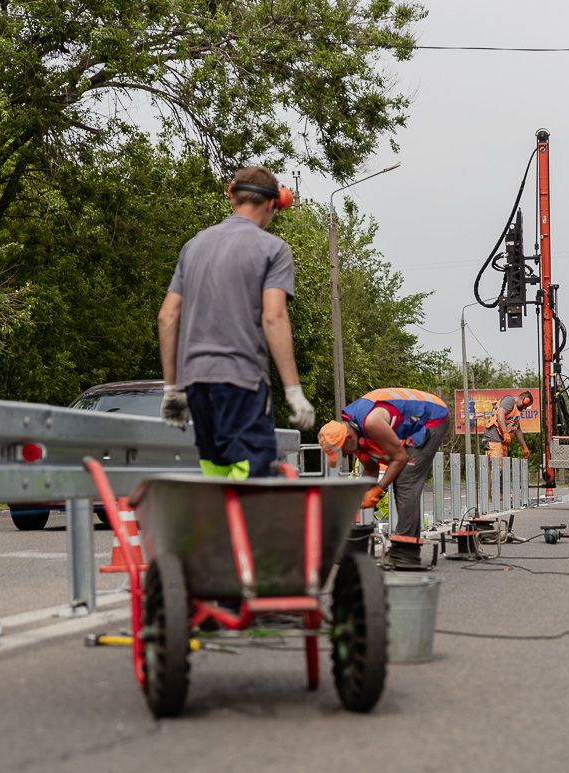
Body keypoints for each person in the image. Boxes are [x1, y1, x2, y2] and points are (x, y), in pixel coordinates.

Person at [157, 166, 315, 479]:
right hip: (241, 381)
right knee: (252, 479)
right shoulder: (273, 249)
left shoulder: (194, 246)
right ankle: (244, 528)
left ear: (233, 198)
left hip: (196, 384)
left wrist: (172, 389)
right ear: (272, 204)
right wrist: (293, 391)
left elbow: (167, 315)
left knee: (215, 472)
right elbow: (273, 316)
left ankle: (219, 529)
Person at [318, 389, 450, 568]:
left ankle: (406, 551)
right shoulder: (355, 433)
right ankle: (403, 547)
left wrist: (379, 489)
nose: (344, 456)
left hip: (432, 417)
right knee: (401, 477)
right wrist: (357, 500)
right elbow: (371, 470)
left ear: (348, 438)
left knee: (405, 480)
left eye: (342, 451)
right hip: (417, 421)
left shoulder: (371, 423)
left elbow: (400, 458)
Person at [482, 391, 533, 461]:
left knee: (502, 467)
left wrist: (524, 447)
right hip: (493, 437)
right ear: (524, 399)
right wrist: (505, 432)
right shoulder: (510, 401)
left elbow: (517, 429)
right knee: (496, 466)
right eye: (526, 405)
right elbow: (500, 413)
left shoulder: (516, 412)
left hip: (502, 440)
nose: (525, 408)